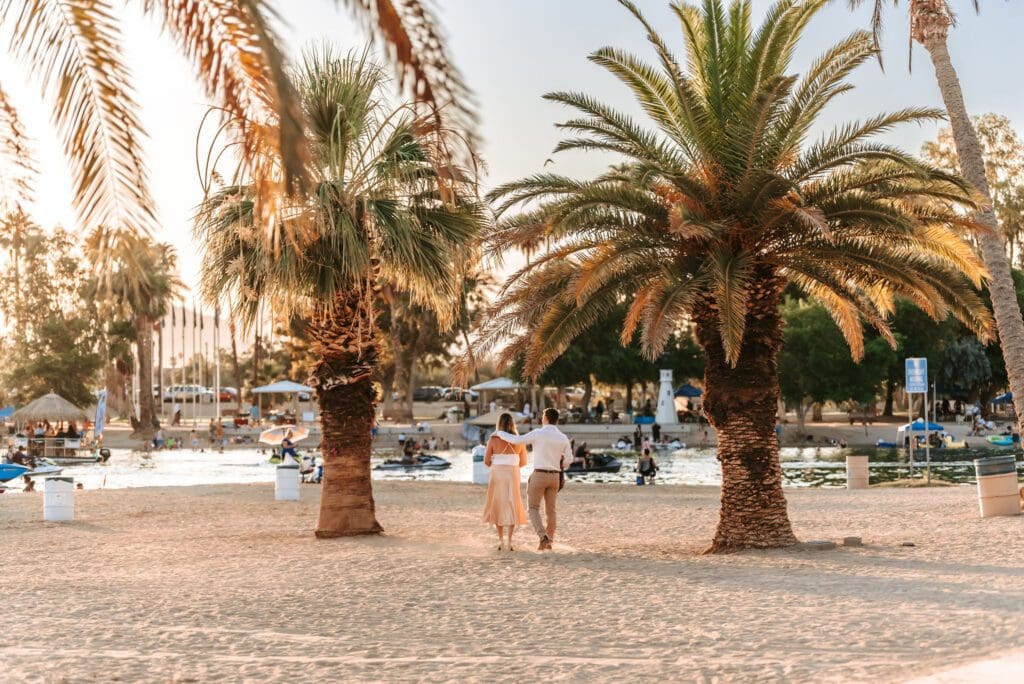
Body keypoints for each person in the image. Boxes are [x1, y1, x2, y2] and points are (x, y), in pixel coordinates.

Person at [494, 407, 573, 551]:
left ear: (546, 418)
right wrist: (560, 463)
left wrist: (500, 433)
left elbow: (517, 440)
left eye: (543, 416)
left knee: (533, 508)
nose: (542, 418)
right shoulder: (562, 437)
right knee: (551, 510)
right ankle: (550, 540)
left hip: (539, 474)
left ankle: (543, 537)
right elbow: (569, 459)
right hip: (555, 476)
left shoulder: (538, 433)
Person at [481, 412, 529, 551]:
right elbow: (524, 462)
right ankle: (510, 541)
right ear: (512, 423)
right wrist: (511, 467)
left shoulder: (493, 438)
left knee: (498, 504)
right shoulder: (518, 440)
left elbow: (486, 461)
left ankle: (501, 541)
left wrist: (498, 466)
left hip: (497, 472)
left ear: (499, 423)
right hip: (513, 472)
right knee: (512, 502)